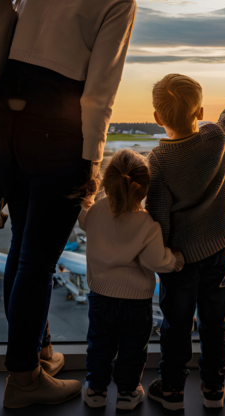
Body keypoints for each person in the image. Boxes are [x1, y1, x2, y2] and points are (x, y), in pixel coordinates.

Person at [0, 0, 141, 409]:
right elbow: (100, 92)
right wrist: (92, 161)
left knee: (21, 251)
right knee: (37, 261)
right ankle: (23, 380)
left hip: (5, 130)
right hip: (55, 137)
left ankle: (38, 353)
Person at [144, 72, 225, 410]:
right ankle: (214, 389)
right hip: (218, 251)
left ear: (157, 118)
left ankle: (172, 389)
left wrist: (161, 257)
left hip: (178, 261)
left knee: (176, 326)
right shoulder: (216, 137)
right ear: (200, 112)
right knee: (215, 324)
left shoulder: (158, 161)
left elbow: (158, 216)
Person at [79, 148, 184, 410]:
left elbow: (83, 218)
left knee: (99, 346)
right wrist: (176, 260)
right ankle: (127, 393)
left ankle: (95, 391)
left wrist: (89, 195)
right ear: (145, 189)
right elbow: (156, 262)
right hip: (136, 302)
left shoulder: (97, 212)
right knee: (133, 350)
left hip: (100, 297)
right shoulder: (148, 224)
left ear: (108, 182)